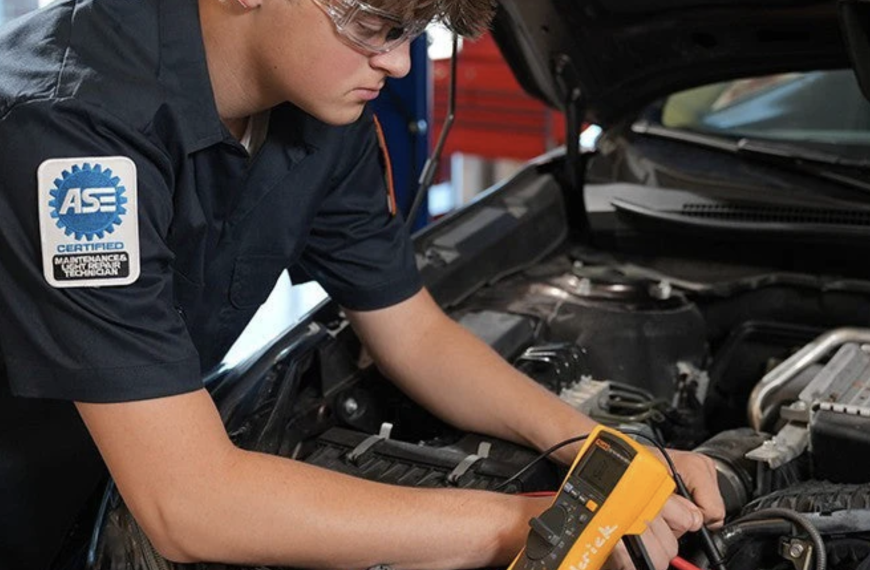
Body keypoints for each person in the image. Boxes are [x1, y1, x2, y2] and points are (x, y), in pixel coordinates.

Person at [0, 0, 725, 569]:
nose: (402, 65)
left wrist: (600, 450)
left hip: (138, 439)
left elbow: (412, 332)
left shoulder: (322, 106)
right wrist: (523, 523)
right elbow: (190, 503)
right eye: (378, 26)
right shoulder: (74, 132)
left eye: (413, 33)